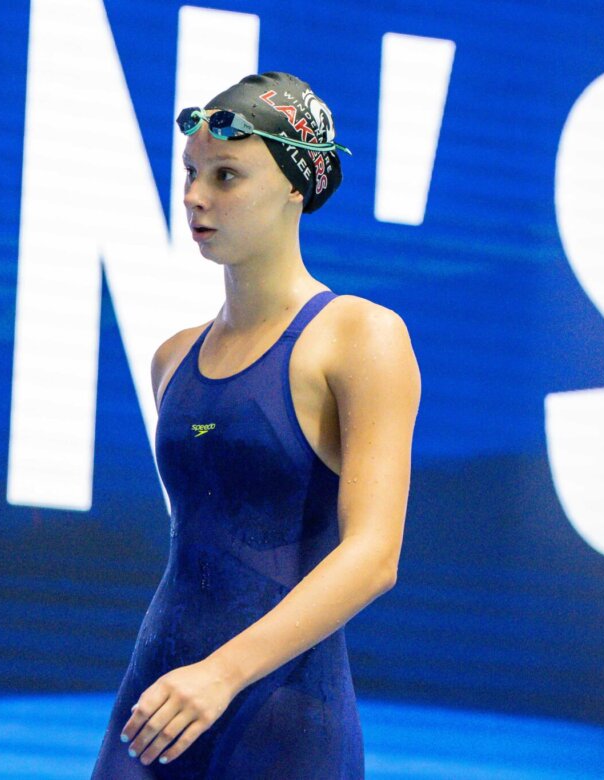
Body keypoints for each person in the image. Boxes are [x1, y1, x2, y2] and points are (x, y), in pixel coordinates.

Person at [91, 72, 420, 778]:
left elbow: (374, 555)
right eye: (191, 173)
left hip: (284, 722)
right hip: (159, 704)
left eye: (226, 175)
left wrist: (222, 673)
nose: (194, 196)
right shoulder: (172, 359)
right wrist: (196, 679)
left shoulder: (361, 338)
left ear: (296, 187)